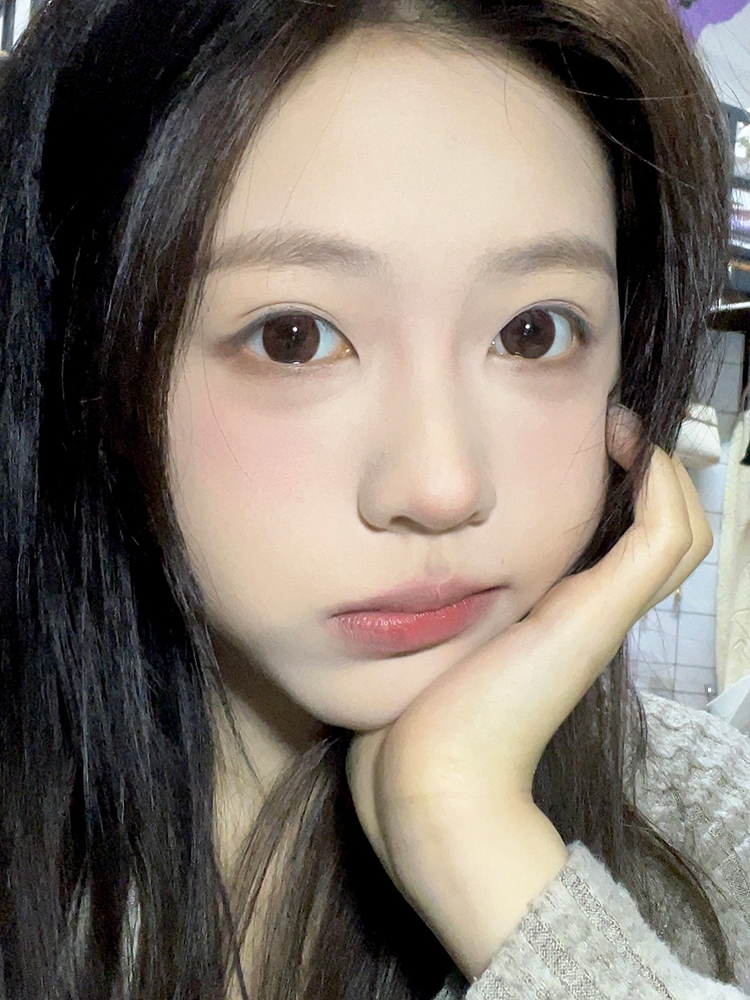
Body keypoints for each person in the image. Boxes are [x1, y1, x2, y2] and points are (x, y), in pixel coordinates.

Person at [0, 0, 748, 997]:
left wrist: (483, 853)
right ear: (83, 354)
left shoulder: (709, 840)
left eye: (533, 332)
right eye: (294, 338)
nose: (442, 487)